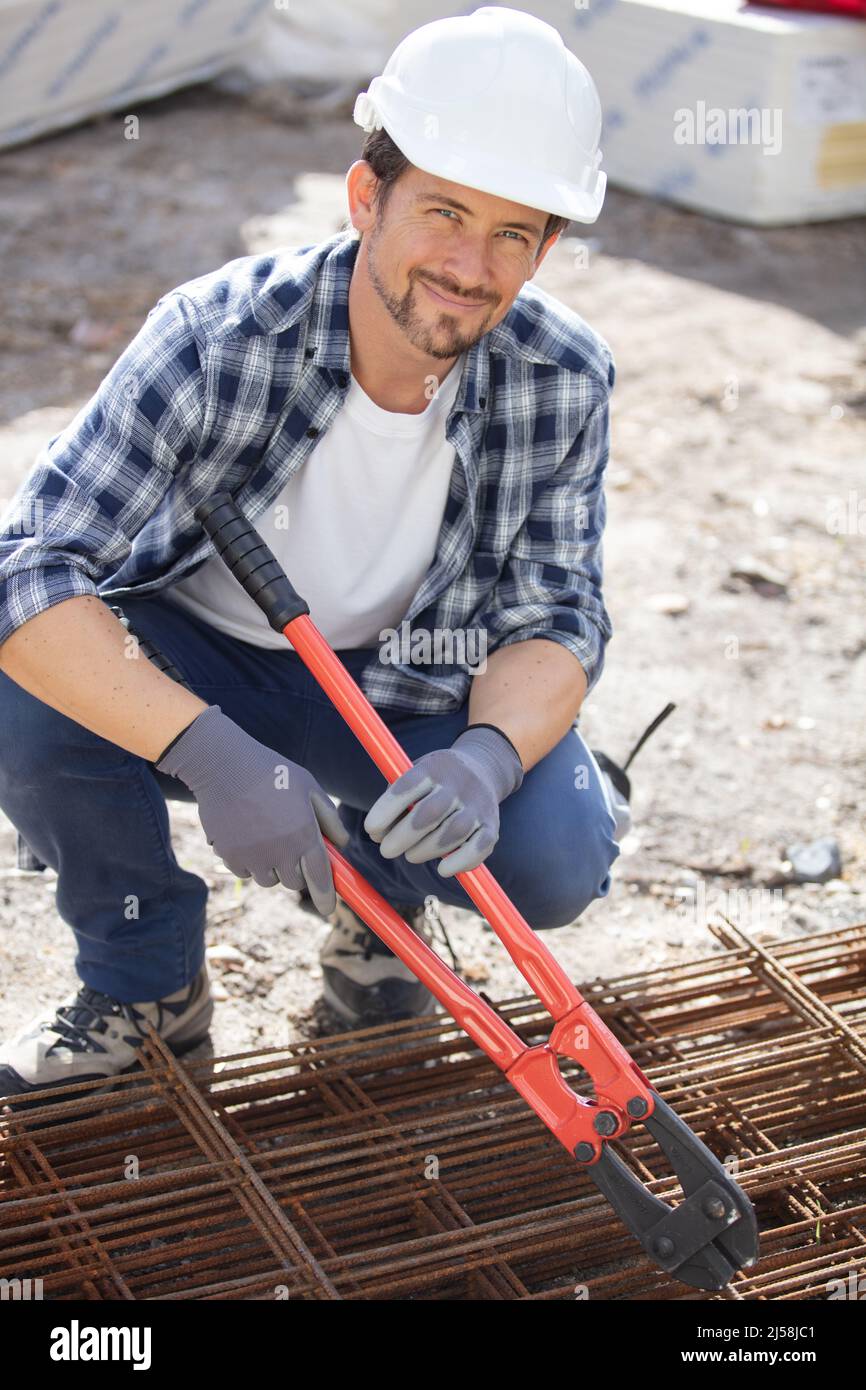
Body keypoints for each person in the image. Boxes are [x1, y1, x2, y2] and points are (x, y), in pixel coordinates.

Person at [0, 7, 622, 1098]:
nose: (469, 265)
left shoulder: (561, 374)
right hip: (205, 668)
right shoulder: (216, 337)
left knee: (558, 850)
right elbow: (30, 570)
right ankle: (145, 985)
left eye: (511, 233)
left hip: (409, 687)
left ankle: (382, 933)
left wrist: (482, 760)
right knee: (29, 683)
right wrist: (209, 751)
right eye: (442, 211)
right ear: (364, 197)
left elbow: (554, 617)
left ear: (546, 249)